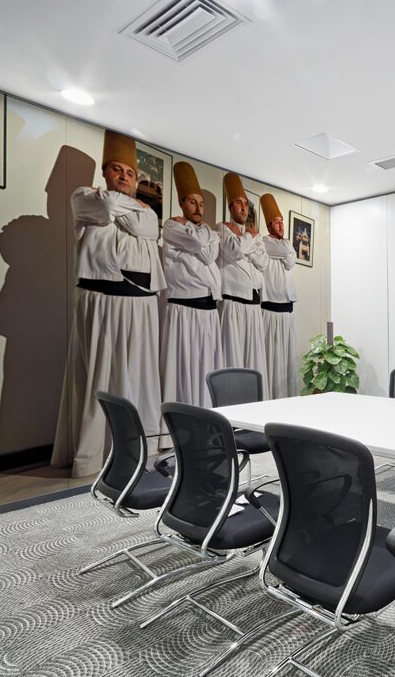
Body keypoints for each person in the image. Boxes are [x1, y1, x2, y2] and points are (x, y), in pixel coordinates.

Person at [51, 131, 165, 477]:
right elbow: (105, 208)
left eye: (130, 173)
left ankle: (137, 448)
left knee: (139, 375)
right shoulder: (83, 196)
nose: (124, 177)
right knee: (100, 374)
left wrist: (124, 209)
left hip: (141, 303)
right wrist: (123, 206)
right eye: (117, 170)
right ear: (104, 172)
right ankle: (92, 457)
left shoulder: (148, 211)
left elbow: (147, 226)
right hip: (100, 299)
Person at [159, 161, 223, 421]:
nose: (198, 208)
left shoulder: (211, 232)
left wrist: (200, 238)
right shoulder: (172, 226)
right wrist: (197, 237)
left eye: (201, 203)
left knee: (207, 367)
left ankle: (208, 418)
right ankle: (181, 421)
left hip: (209, 309)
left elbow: (207, 253)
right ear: (182, 203)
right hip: (183, 307)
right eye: (193, 203)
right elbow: (199, 243)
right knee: (182, 368)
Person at [217, 173, 269, 387]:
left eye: (246, 204)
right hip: (233, 303)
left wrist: (248, 241)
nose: (243, 208)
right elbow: (235, 250)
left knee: (254, 359)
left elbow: (263, 262)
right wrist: (250, 239)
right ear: (230, 207)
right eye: (238, 203)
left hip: (253, 305)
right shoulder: (221, 228)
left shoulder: (252, 236)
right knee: (234, 357)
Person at [259, 193, 299, 399]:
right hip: (270, 311)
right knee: (272, 359)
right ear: (268, 225)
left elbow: (291, 261)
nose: (281, 225)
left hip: (287, 311)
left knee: (288, 361)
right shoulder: (264, 242)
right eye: (277, 222)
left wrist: (287, 250)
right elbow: (285, 253)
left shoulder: (286, 244)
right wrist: (287, 250)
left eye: (282, 222)